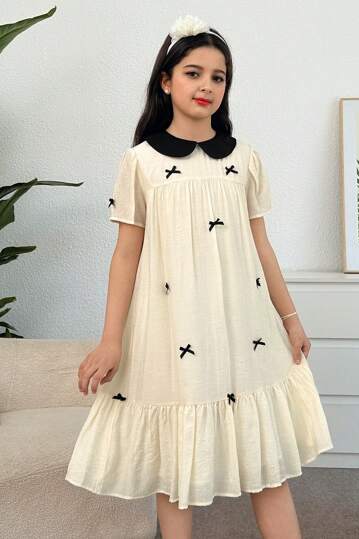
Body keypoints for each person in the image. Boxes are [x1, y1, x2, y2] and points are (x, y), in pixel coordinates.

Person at [65, 14, 333, 539]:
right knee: (175, 465)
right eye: (193, 73)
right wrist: (111, 339)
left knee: (268, 462)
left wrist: (290, 318)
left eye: (218, 76)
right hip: (171, 330)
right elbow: (125, 256)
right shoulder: (140, 163)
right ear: (166, 81)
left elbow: (261, 246)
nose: (207, 85)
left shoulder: (245, 160)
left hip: (244, 330)